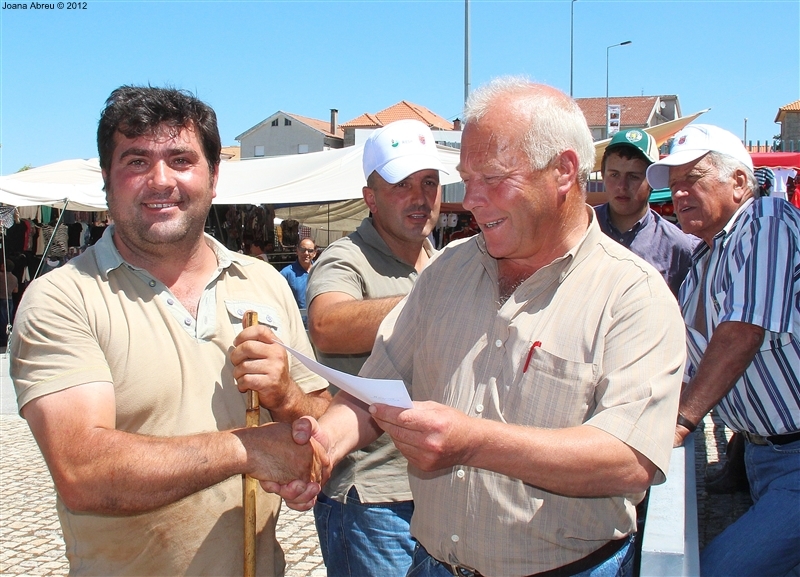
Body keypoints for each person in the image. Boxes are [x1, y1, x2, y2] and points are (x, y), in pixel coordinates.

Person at [273, 78, 686, 577]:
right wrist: (322, 448)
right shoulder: (446, 270)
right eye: (467, 179)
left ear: (564, 171)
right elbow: (373, 392)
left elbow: (629, 460)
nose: (470, 199)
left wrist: (472, 442)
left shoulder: (632, 295)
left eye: (492, 177)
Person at [10, 85, 330, 577]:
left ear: (214, 176)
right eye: (137, 162)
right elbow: (83, 471)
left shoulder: (264, 282)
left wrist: (288, 398)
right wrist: (249, 450)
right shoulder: (63, 298)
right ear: (106, 180)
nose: (161, 180)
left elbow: (318, 421)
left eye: (181, 159)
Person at [647, 123, 800, 577]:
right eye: (674, 188)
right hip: (763, 456)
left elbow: (741, 333)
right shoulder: (703, 261)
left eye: (692, 180)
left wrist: (677, 424)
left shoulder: (766, 221)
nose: (679, 195)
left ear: (738, 183)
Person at [304, 118, 445, 576]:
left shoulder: (442, 264)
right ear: (371, 197)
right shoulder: (346, 257)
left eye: (429, 183)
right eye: (401, 184)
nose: (420, 198)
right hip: (373, 498)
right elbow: (327, 323)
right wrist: (432, 304)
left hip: (438, 490)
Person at [597, 128, 697, 297]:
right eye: (614, 175)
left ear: (652, 180)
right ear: (603, 176)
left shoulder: (677, 246)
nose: (622, 185)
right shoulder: (580, 227)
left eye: (633, 176)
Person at [280, 237, 316, 311]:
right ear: (297, 251)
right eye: (303, 250)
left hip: (317, 318)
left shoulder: (320, 270)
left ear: (314, 253)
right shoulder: (286, 273)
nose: (306, 253)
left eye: (310, 251)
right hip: (297, 320)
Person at [0, 259, 19, 346]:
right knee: (9, 319)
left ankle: (4, 339)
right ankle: (9, 338)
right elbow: (16, 290)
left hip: (1, 299)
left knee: (2, 320)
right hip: (10, 300)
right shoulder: (14, 278)